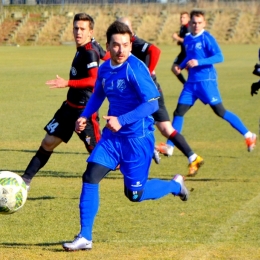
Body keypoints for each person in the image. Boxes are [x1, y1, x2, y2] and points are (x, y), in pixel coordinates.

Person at [62, 21, 189, 251]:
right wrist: (85, 115)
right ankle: (85, 236)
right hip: (113, 139)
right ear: (108, 46)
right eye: (116, 45)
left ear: (131, 44)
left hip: (137, 140)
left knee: (135, 194)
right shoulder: (105, 69)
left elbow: (151, 104)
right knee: (90, 176)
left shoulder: (135, 68)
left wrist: (122, 120)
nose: (121, 50)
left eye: (125, 45)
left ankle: (174, 185)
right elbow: (98, 95)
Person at [21, 13, 110, 190]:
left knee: (101, 155)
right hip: (69, 108)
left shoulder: (89, 52)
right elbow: (107, 57)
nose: (78, 32)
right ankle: (25, 181)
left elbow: (93, 80)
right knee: (48, 142)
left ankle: (134, 157)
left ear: (90, 31)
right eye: (76, 28)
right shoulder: (90, 46)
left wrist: (67, 83)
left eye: (82, 29)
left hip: (84, 111)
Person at [117, 17, 204, 176]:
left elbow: (155, 51)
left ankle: (144, 153)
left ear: (130, 30)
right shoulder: (122, 45)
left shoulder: (135, 42)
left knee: (126, 122)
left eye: (124, 28)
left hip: (147, 92)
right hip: (146, 91)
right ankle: (193, 157)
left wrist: (148, 73)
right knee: (165, 129)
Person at [165, 10, 257, 154]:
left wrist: (199, 62)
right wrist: (180, 66)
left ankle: (248, 135)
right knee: (179, 112)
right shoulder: (188, 39)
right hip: (191, 84)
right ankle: (169, 146)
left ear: (204, 23)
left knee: (220, 111)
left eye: (199, 23)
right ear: (190, 24)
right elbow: (189, 57)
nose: (196, 25)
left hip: (206, 81)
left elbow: (220, 57)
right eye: (194, 23)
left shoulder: (207, 38)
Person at [171, 11, 190, 85]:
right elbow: (182, 40)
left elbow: (188, 41)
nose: (182, 19)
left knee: (192, 73)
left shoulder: (188, 28)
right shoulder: (182, 27)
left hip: (188, 54)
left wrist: (177, 38)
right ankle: (186, 85)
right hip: (183, 53)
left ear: (188, 19)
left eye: (184, 17)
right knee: (174, 68)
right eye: (181, 17)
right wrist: (179, 41)